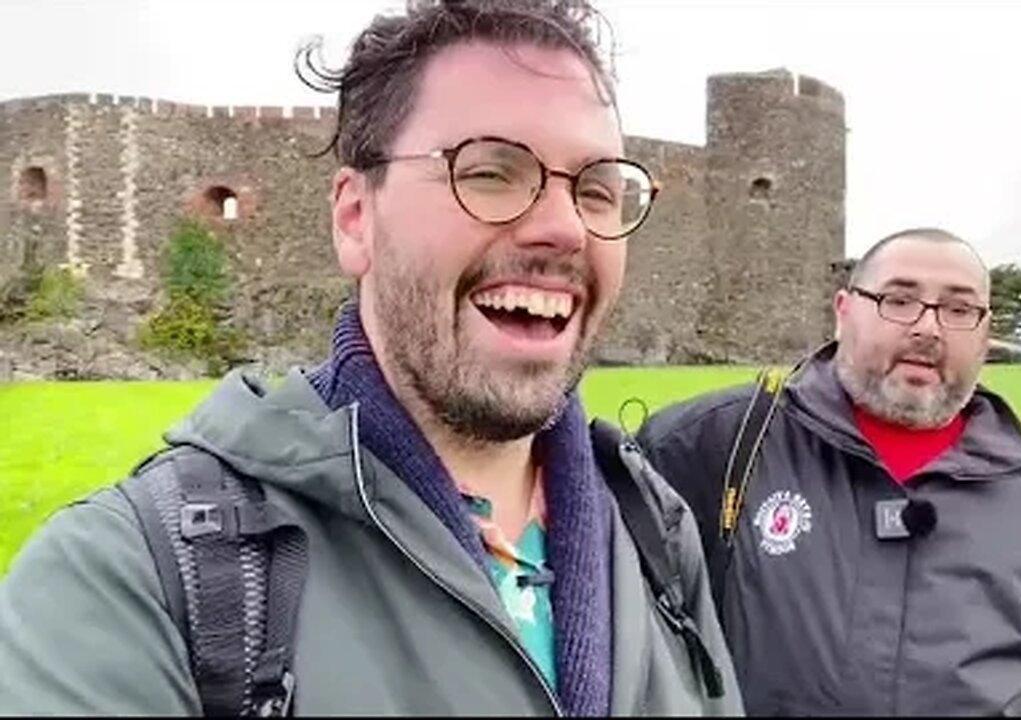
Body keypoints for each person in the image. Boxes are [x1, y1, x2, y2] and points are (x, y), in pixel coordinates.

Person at [0, 1, 742, 715]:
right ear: (356, 218)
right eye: (488, 171)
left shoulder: (655, 533)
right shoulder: (135, 581)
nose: (564, 228)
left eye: (599, 189)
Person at [637, 227, 1021, 716]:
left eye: (959, 309)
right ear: (843, 310)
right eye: (899, 300)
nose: (928, 328)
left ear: (985, 335)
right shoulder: (709, 445)